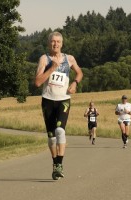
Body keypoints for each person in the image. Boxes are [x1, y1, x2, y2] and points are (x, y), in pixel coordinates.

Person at [35, 31, 83, 180]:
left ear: (62, 44)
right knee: (51, 136)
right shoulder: (44, 59)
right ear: (49, 43)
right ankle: (55, 163)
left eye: (58, 41)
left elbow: (80, 72)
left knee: (60, 131)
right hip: (48, 100)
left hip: (64, 100)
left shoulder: (69, 58)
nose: (55, 44)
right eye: (53, 41)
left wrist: (75, 83)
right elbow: (37, 82)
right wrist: (51, 69)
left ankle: (60, 165)